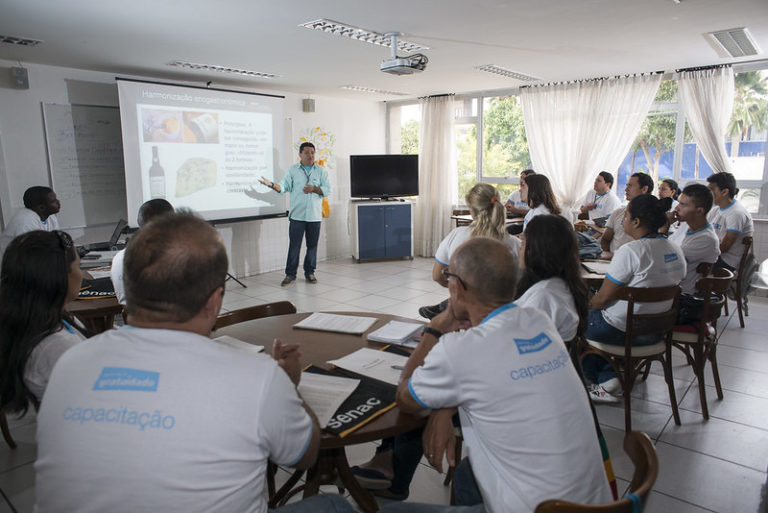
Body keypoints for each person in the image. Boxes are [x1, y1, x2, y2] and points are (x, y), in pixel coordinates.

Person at [33, 211, 353, 513]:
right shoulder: (257, 376)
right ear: (214, 301)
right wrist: (288, 385)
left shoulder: (69, 362)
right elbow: (304, 456)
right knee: (334, 506)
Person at [379, 237, 612, 513]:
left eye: (449, 276)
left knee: (391, 512)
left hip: (539, 509)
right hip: (595, 504)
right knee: (468, 474)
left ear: (457, 287)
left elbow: (405, 398)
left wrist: (435, 328)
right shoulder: (539, 321)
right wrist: (444, 407)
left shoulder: (459, 350)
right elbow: (494, 374)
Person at [583, 195, 686, 403]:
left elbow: (601, 300)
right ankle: (609, 374)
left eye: (626, 216)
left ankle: (604, 381)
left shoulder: (631, 251)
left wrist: (582, 308)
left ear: (636, 222)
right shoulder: (675, 249)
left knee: (577, 321)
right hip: (657, 332)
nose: (623, 220)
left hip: (622, 331)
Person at [0, 230, 87, 414]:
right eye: (79, 267)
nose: (81, 274)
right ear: (60, 278)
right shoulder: (57, 346)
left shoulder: (37, 322)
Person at [418, 183, 521, 319]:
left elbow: (437, 276)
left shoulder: (456, 235)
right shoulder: (515, 244)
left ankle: (446, 307)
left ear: (472, 211)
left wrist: (461, 291)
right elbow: (521, 283)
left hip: (463, 311)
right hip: (500, 314)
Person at [259, 142, 330, 286]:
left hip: (314, 216)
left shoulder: (321, 171)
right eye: (307, 152)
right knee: (294, 246)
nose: (310, 155)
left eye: (312, 152)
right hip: (297, 216)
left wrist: (314, 189)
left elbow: (327, 190)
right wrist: (271, 185)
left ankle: (310, 272)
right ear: (300, 154)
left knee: (312, 246)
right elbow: (283, 187)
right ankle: (290, 275)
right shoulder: (293, 170)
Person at [515, 215, 588, 342]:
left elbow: (520, 340)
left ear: (537, 250)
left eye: (523, 243)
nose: (520, 248)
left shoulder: (543, 296)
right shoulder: (561, 283)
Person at [110, 198, 174, 305]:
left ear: (138, 221)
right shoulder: (173, 258)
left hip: (132, 315)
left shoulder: (118, 258)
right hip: (169, 315)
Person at [669, 184, 720, 297]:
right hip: (668, 285)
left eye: (682, 205)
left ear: (699, 211)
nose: (676, 209)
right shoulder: (686, 225)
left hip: (681, 294)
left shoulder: (707, 239)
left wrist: (664, 227)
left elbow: (667, 261)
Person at [706, 172, 754, 272]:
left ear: (724, 192)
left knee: (687, 264)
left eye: (711, 189)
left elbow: (724, 248)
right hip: (716, 256)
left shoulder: (737, 213)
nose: (708, 193)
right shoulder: (715, 210)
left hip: (727, 262)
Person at [600, 172, 654, 258]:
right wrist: (607, 254)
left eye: (630, 186)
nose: (626, 190)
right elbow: (605, 239)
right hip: (612, 261)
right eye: (626, 186)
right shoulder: (618, 213)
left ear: (644, 189)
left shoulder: (653, 217)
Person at [0, 186, 61, 258]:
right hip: (14, 262)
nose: (58, 202)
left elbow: (57, 241)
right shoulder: (25, 222)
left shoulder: (50, 216)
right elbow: (31, 254)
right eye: (53, 201)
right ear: (41, 207)